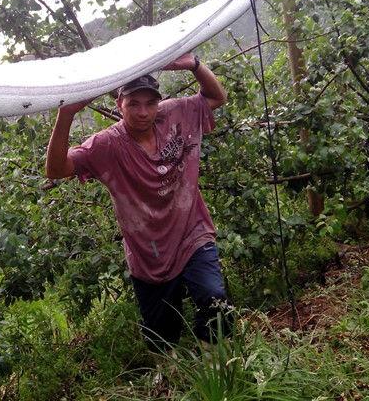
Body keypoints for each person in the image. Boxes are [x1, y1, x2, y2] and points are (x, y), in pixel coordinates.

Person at [45, 53, 232, 355]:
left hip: (192, 233)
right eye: (133, 103)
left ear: (158, 103)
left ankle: (216, 375)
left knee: (214, 299)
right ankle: (170, 380)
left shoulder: (174, 115)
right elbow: (56, 169)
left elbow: (216, 96)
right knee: (161, 338)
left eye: (149, 103)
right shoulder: (106, 145)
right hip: (149, 254)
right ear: (119, 105)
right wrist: (65, 115)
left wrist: (195, 65)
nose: (143, 112)